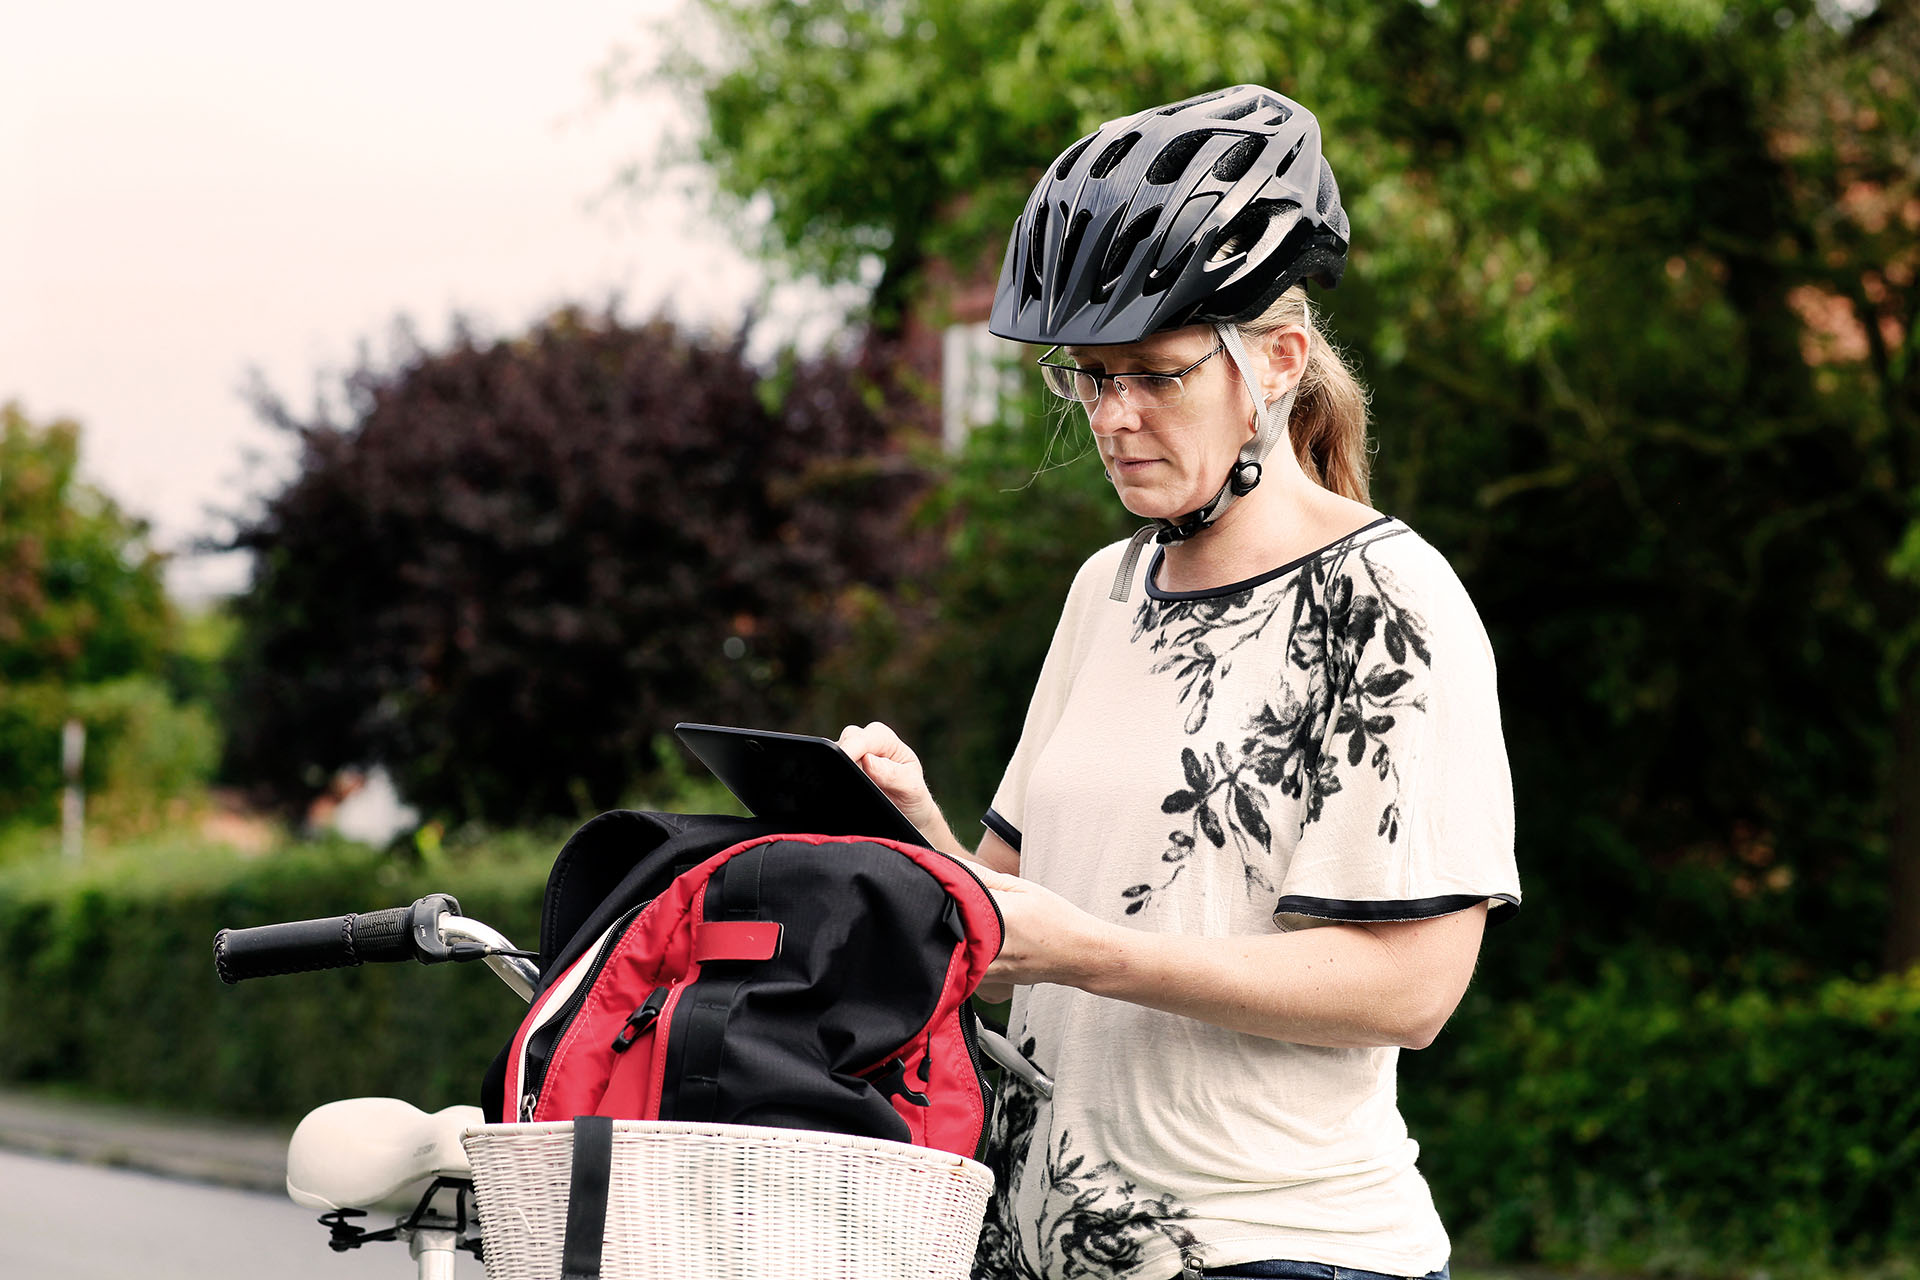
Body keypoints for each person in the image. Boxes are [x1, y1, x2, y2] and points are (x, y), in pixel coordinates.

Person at [840, 84, 1520, 1280]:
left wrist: (1092, 950)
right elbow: (1010, 936)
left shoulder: (1389, 604)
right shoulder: (1106, 587)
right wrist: (919, 839)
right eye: (1091, 378)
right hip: (1031, 1248)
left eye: (1156, 373)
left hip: (1284, 1250)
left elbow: (1412, 984)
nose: (1114, 417)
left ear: (1277, 360)